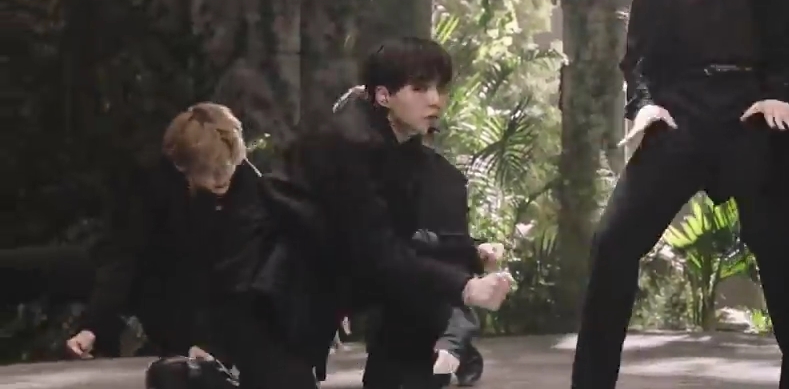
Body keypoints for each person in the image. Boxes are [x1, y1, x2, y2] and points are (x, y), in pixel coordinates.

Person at [571, 0, 789, 389]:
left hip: (752, 107)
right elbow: (639, 55)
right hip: (682, 109)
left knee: (782, 247)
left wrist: (780, 90)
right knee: (613, 242)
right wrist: (645, 106)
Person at [269, 37, 513, 377]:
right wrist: (466, 286)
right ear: (384, 96)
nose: (435, 100)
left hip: (313, 296)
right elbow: (378, 253)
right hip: (274, 294)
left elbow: (400, 241)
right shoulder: (349, 144)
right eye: (419, 88)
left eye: (440, 88)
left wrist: (471, 255)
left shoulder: (397, 147)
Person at [64, 103, 319, 389]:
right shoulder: (153, 187)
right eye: (212, 171)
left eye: (228, 167)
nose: (222, 178)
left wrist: (216, 344)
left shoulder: (251, 190)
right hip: (170, 294)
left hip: (234, 308)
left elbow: (246, 276)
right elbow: (124, 258)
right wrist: (93, 326)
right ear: (182, 167)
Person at [328, 65, 500, 389]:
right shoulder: (352, 174)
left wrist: (472, 256)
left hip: (419, 314)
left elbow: (438, 252)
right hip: (392, 319)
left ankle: (458, 352)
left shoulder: (440, 179)